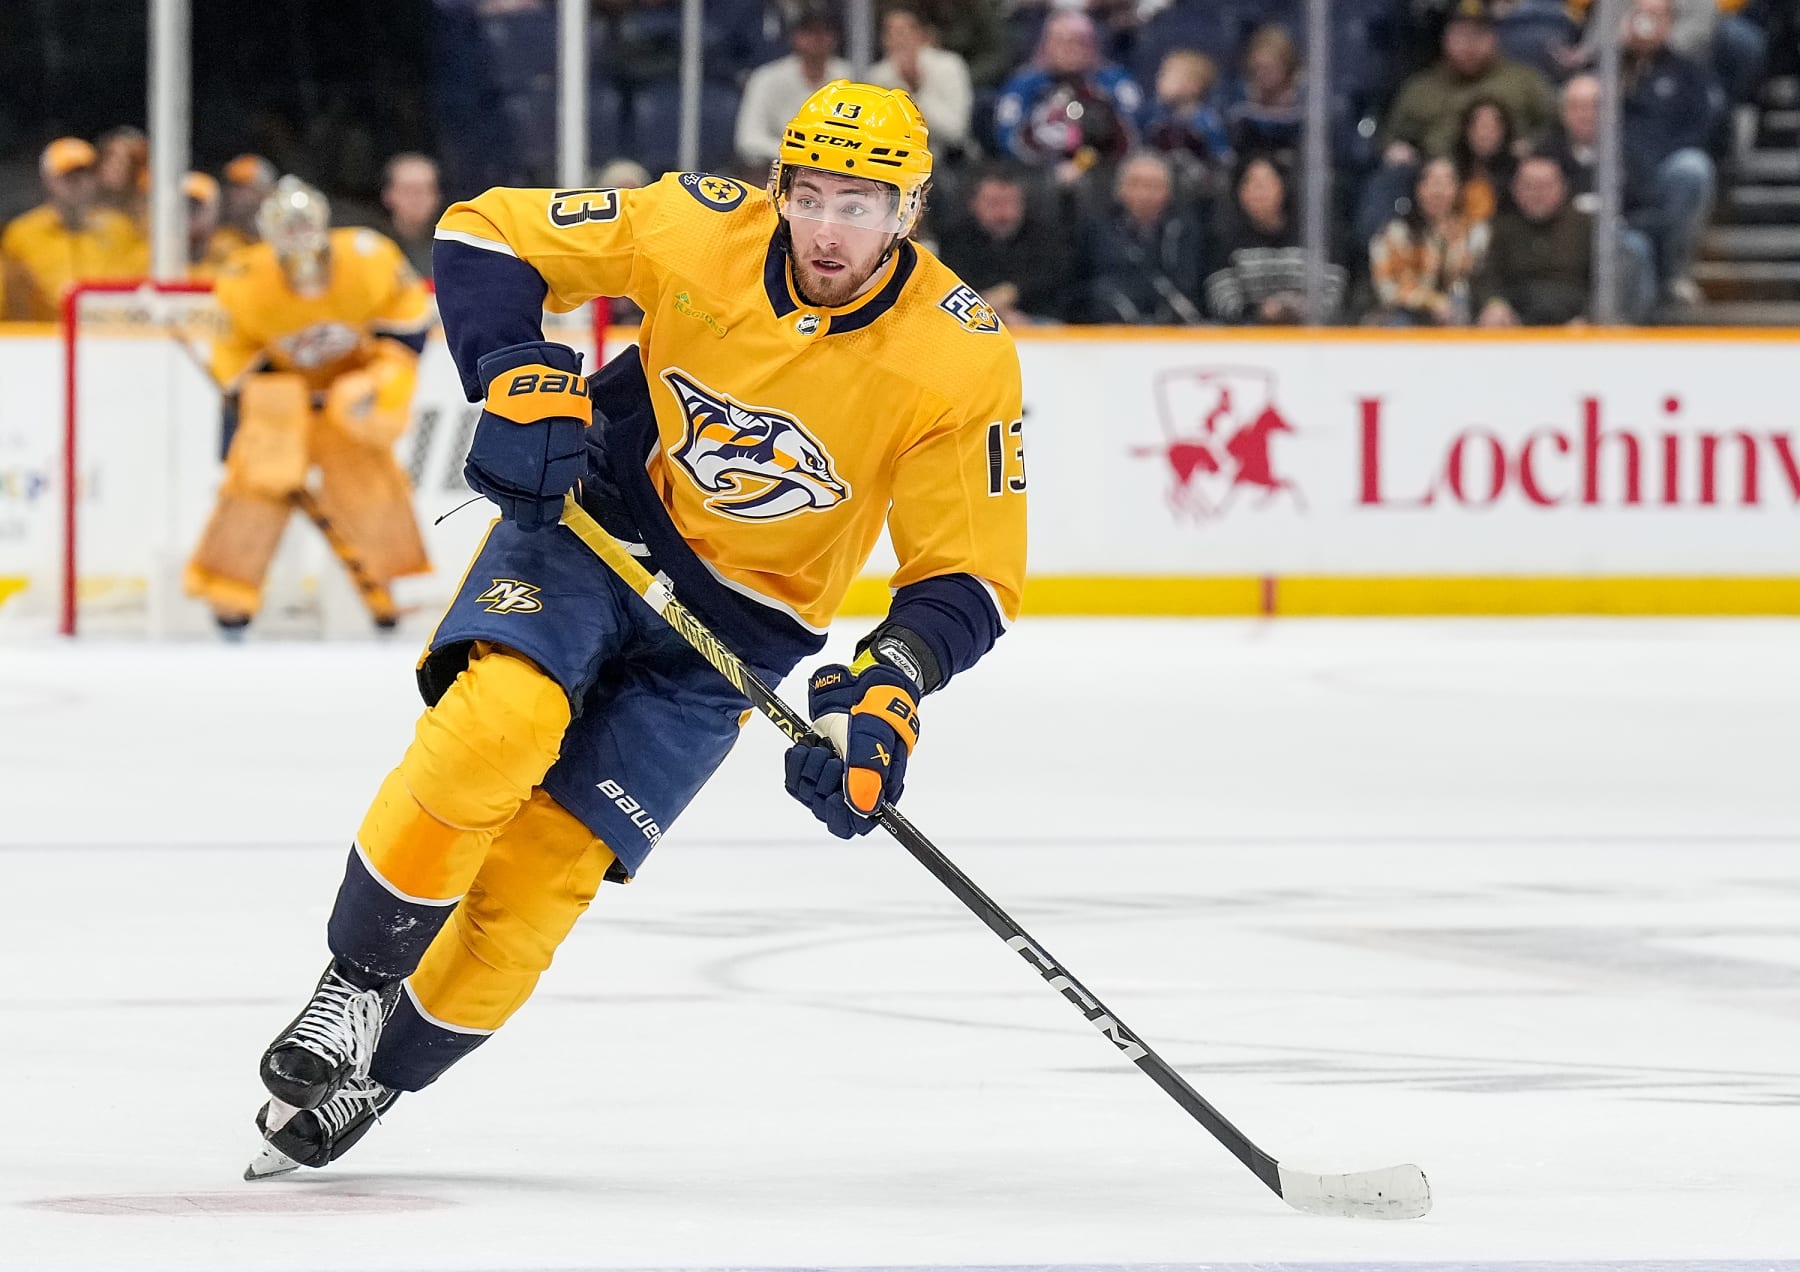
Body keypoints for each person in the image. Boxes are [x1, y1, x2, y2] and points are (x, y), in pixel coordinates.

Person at [244, 81, 1027, 1177]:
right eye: (812, 196)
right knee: (497, 726)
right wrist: (514, 376)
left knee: (542, 878)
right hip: (595, 524)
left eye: (862, 203)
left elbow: (968, 573)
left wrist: (888, 686)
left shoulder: (958, 354)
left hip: (740, 630)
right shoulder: (697, 225)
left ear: (910, 208)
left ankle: (384, 1073)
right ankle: (357, 986)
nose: (830, 229)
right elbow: (482, 231)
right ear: (778, 189)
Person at [184, 177, 434, 636]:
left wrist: (380, 380)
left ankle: (392, 592)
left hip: (350, 399)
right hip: (282, 403)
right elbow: (234, 360)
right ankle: (229, 595)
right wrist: (273, 396)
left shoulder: (368, 257)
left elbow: (408, 330)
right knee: (258, 482)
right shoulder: (244, 278)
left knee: (371, 488)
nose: (298, 237)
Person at [1618, 0, 1718, 306]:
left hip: (1662, 169)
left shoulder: (1687, 72)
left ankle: (1673, 272)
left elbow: (1701, 127)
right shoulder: (1609, 68)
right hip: (1613, 168)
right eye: (1640, 15)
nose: (1646, 23)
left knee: (1693, 168)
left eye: (1654, 17)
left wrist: (1653, 159)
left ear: (1668, 25)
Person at [0, 138, 148, 322]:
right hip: (43, 337)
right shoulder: (22, 233)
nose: (78, 182)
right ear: (49, 180)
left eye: (85, 173)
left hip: (107, 335)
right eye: (68, 175)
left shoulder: (118, 228)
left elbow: (138, 281)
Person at [994, 11, 1142, 182]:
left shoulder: (1115, 82)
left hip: (1106, 173)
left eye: (1079, 42)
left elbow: (1134, 128)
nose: (1071, 49)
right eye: (1062, 42)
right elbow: (1007, 133)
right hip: (1037, 174)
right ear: (1046, 44)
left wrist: (1082, 165)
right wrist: (1053, 167)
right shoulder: (1023, 83)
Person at [1204, 156, 1344, 325]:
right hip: (1247, 339)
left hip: (1309, 335)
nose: (1259, 191)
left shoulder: (1312, 233)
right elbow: (1220, 293)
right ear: (1240, 192)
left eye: (1266, 183)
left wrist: (1302, 310)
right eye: (1251, 183)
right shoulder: (1224, 237)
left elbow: (1332, 286)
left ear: (1282, 187)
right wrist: (1256, 313)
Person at [934, 164, 1078, 324]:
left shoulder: (1043, 235)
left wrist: (1014, 293)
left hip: (1036, 320)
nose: (1003, 213)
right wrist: (995, 310)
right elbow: (952, 282)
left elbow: (1054, 277)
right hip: (970, 320)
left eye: (1010, 202)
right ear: (974, 203)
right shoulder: (955, 238)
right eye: (993, 203)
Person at [1085, 151, 1206, 324]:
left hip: (1171, 329)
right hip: (1110, 327)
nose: (1144, 194)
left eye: (1153, 185)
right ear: (1120, 189)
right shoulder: (1097, 228)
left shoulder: (1184, 229)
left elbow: (1189, 285)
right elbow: (1088, 284)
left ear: (1168, 192)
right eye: (1135, 183)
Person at [1366, 157, 1488, 326]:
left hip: (1458, 313)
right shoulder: (1395, 233)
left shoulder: (1474, 233)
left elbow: (1476, 280)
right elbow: (1387, 288)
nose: (1439, 192)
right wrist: (1431, 302)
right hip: (1406, 315)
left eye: (1446, 183)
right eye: (1432, 183)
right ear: (1419, 189)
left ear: (1457, 189)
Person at [1476, 154, 1593, 327]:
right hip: (1516, 322)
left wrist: (1589, 317)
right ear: (1515, 189)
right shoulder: (1502, 227)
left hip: (1575, 321)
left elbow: (1606, 281)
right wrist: (1495, 304)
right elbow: (1487, 276)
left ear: (1562, 188)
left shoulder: (1586, 226)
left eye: (1545, 186)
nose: (1537, 194)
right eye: (1529, 186)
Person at [735, 6, 853, 170]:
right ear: (794, 37)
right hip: (778, 167)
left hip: (840, 169)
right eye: (809, 32)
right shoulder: (766, 78)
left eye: (824, 32)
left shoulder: (851, 78)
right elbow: (749, 139)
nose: (817, 39)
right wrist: (801, 154)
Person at [868, 3, 973, 156]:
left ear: (920, 34)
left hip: (947, 158)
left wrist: (915, 89)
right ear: (884, 40)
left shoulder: (949, 66)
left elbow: (956, 131)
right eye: (892, 32)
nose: (899, 39)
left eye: (905, 31)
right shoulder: (878, 76)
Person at [1143, 49, 1231, 182]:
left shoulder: (1207, 121)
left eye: (1166, 75)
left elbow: (1223, 160)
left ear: (1193, 86)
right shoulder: (1157, 119)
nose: (1159, 80)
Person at [1226, 25, 1305, 165]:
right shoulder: (1242, 101)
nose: (1262, 74)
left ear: (1286, 66)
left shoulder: (1303, 100)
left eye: (1269, 68)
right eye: (1258, 68)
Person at [1452, 97, 1516, 224]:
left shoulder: (1518, 170)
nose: (1485, 133)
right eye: (1479, 126)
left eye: (1493, 127)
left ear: (1504, 131)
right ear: (1466, 130)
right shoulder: (1452, 167)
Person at [379, 153, 443, 280]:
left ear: (437, 197)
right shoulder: (374, 247)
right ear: (387, 195)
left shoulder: (450, 248)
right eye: (407, 190)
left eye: (423, 190)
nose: (415, 199)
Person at [215, 154, 279, 255]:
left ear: (264, 191)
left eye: (240, 187)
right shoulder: (220, 243)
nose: (232, 194)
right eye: (230, 186)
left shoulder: (283, 239)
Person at [183, 172, 238, 278]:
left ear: (214, 209)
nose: (189, 215)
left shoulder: (232, 251)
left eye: (197, 205)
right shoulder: (157, 253)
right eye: (185, 205)